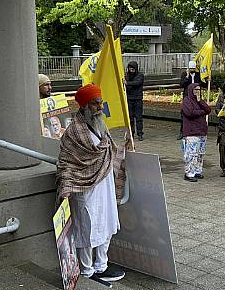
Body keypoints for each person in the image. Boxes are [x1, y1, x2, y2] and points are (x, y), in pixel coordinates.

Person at [56, 84, 128, 283]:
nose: (99, 107)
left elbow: (110, 149)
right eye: (95, 103)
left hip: (104, 185)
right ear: (84, 106)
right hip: (85, 188)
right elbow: (66, 161)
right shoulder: (73, 132)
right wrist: (67, 186)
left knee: (107, 223)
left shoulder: (100, 125)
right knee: (87, 228)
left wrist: (125, 147)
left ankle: (101, 266)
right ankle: (87, 271)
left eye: (100, 103)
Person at [181, 83, 211, 182]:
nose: (197, 91)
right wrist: (202, 112)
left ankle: (197, 171)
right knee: (191, 153)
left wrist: (200, 101)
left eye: (199, 89)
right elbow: (190, 113)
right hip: (191, 132)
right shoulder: (186, 100)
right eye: (195, 90)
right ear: (191, 90)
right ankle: (189, 173)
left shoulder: (199, 101)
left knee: (200, 153)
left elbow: (208, 109)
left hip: (201, 131)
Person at [178, 61, 204, 139]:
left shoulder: (198, 75)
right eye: (191, 68)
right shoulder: (184, 74)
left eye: (193, 68)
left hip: (196, 97)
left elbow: (203, 84)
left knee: (197, 113)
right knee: (184, 114)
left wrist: (207, 79)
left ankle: (197, 130)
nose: (192, 70)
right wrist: (187, 76)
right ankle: (182, 131)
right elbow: (182, 84)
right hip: (187, 97)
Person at [125, 61, 145, 141]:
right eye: (130, 68)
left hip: (138, 99)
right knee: (130, 118)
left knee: (139, 117)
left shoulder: (140, 75)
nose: (131, 70)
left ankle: (140, 133)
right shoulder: (127, 76)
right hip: (129, 99)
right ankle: (131, 133)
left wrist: (127, 83)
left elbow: (137, 83)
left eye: (133, 69)